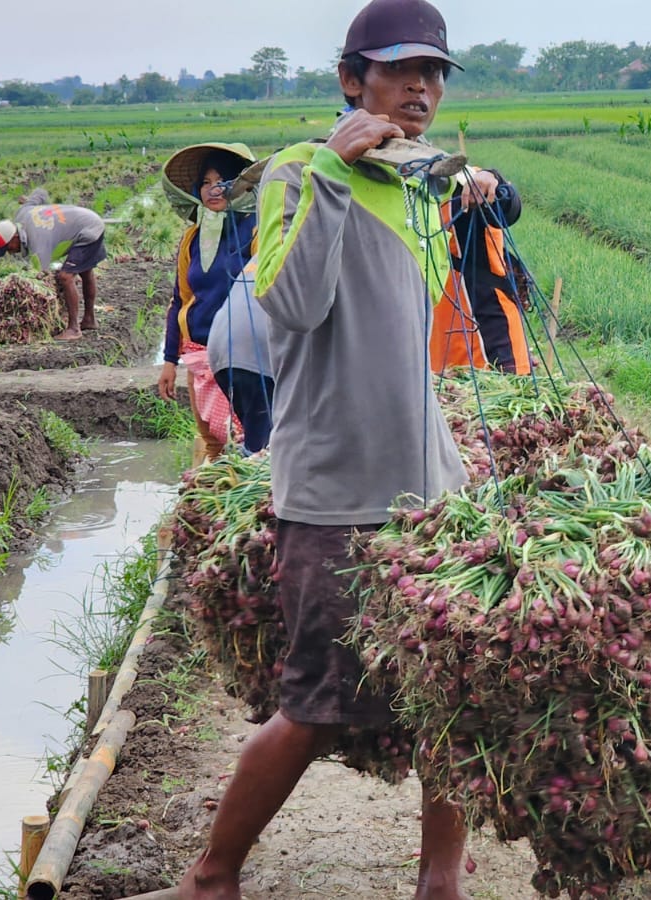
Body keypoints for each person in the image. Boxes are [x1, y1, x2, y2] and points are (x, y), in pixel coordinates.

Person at [178, 2, 501, 898]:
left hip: (429, 483)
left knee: (449, 696)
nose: (422, 89)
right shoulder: (295, 172)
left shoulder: (417, 182)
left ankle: (442, 881)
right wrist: (331, 168)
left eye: (435, 74)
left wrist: (473, 190)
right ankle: (212, 877)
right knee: (317, 704)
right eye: (402, 71)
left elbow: (419, 309)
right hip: (335, 488)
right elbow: (292, 306)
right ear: (350, 79)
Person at [154, 143, 259, 462]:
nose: (214, 189)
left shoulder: (254, 229)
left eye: (222, 180)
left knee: (252, 442)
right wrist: (170, 360)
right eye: (205, 182)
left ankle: (248, 505)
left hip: (243, 357)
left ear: (240, 185)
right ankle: (209, 500)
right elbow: (180, 299)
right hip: (200, 356)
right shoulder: (194, 238)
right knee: (213, 441)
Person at [432, 167, 533, 374]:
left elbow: (508, 205)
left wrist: (491, 179)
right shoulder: (400, 193)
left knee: (507, 398)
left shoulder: (463, 182)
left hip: (491, 335)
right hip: (437, 342)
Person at [0, 189, 106, 341]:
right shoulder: (22, 213)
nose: (10, 253)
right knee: (84, 270)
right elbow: (41, 193)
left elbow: (41, 278)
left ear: (15, 237)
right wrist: (34, 204)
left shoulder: (38, 242)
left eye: (8, 248)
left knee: (65, 277)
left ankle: (74, 329)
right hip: (85, 219)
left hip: (88, 230)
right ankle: (89, 320)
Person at [206, 257, 274, 455]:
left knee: (259, 434)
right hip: (255, 349)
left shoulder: (265, 251)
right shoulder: (312, 249)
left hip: (220, 345)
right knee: (263, 450)